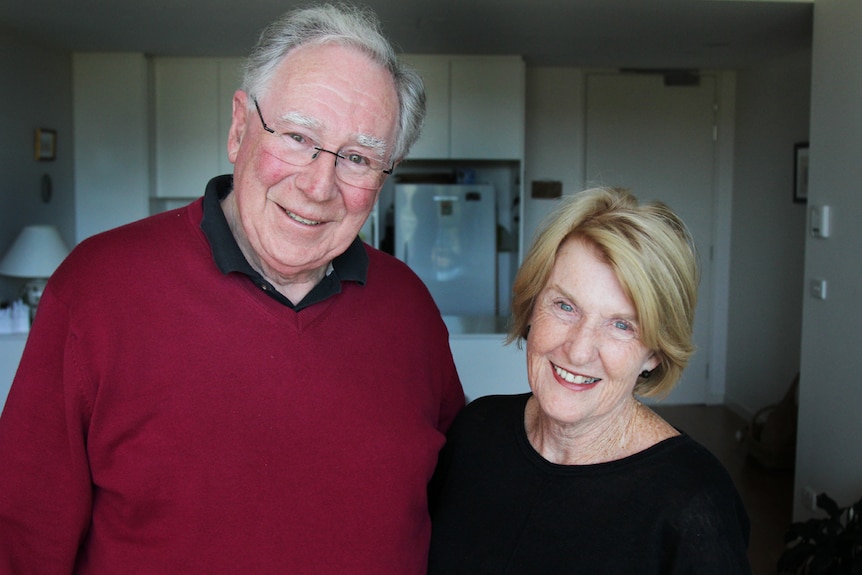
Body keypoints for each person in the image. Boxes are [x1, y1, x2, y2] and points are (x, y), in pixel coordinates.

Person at [0, 4, 464, 574]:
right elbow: (22, 538)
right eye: (297, 137)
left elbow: (458, 503)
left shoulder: (410, 308)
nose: (319, 186)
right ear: (240, 127)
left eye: (358, 158)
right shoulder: (96, 288)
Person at [428, 187, 751, 574]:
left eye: (621, 325)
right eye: (565, 306)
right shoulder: (476, 430)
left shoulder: (693, 500)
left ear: (655, 353)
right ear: (532, 307)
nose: (579, 351)